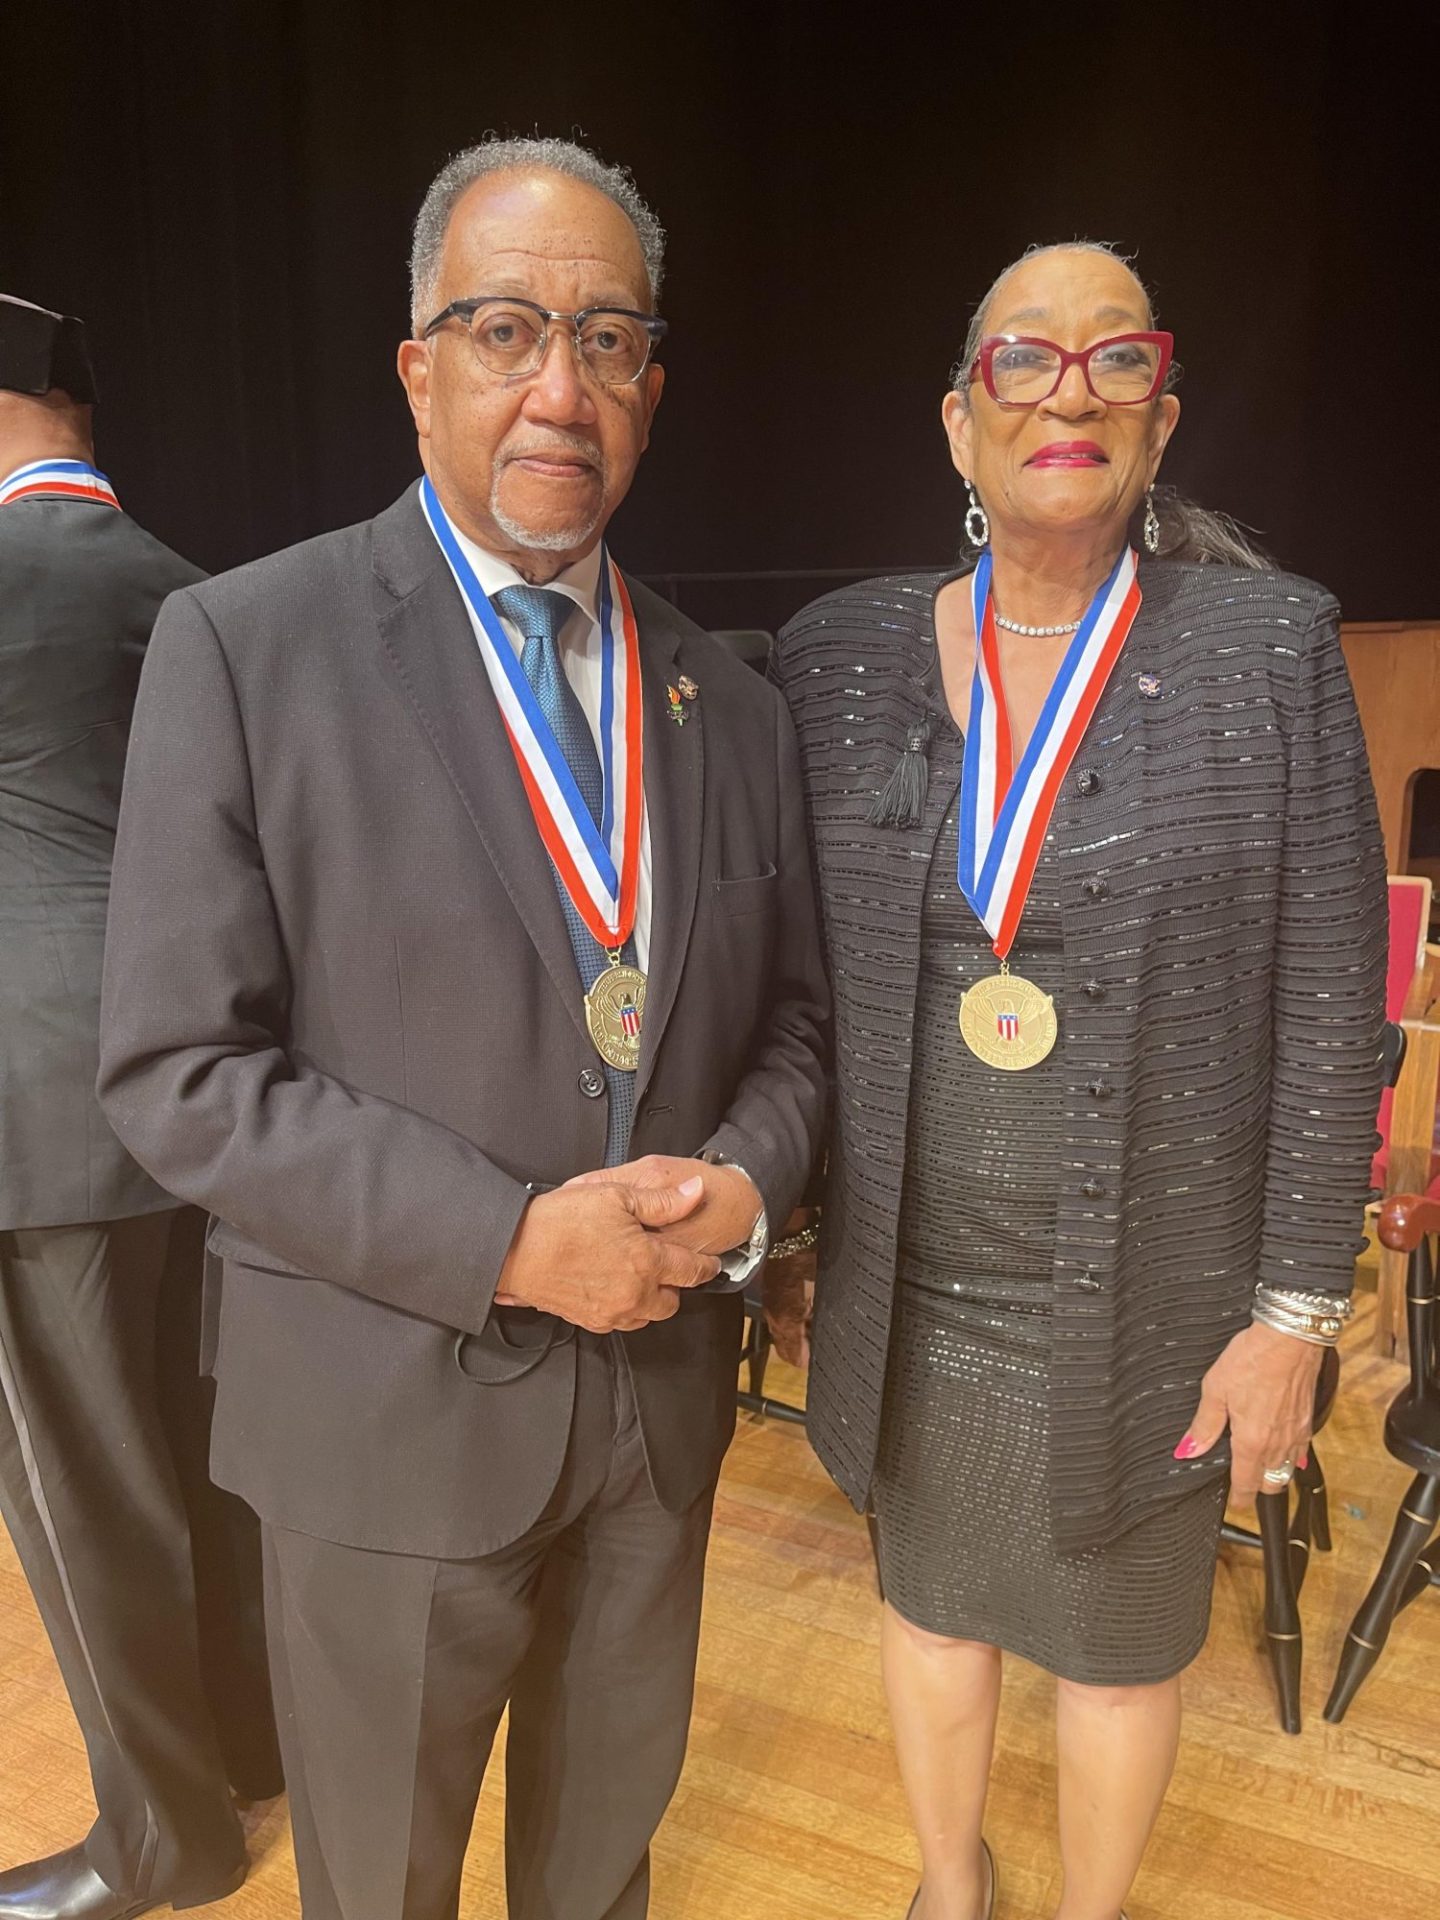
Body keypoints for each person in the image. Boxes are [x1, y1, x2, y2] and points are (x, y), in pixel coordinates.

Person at [97, 138, 828, 1920]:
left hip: (654, 1424)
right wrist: (504, 1240)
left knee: (599, 1876)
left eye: (605, 336)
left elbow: (795, 1026)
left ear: (653, 385)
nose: (557, 386)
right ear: (420, 366)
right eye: (505, 328)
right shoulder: (242, 647)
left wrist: (748, 1187)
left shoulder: (726, 702)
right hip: (382, 1422)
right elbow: (176, 1073)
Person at [770, 241, 1385, 1920]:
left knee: (1118, 1652)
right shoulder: (839, 660)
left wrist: (1296, 1314)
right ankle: (951, 1885)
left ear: (1162, 423)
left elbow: (1341, 995)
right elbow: (795, 983)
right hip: (917, 1277)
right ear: (958, 425)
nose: (1070, 391)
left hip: (1165, 1290)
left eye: (1119, 362)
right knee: (933, 1606)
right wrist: (801, 1236)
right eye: (1024, 360)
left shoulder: (1266, 650)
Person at [0, 296, 280, 1920]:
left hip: (30, 1123)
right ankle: (249, 1747)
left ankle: (162, 1840)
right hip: (193, 1097)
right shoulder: (196, 590)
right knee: (198, 1460)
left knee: (82, 1497)